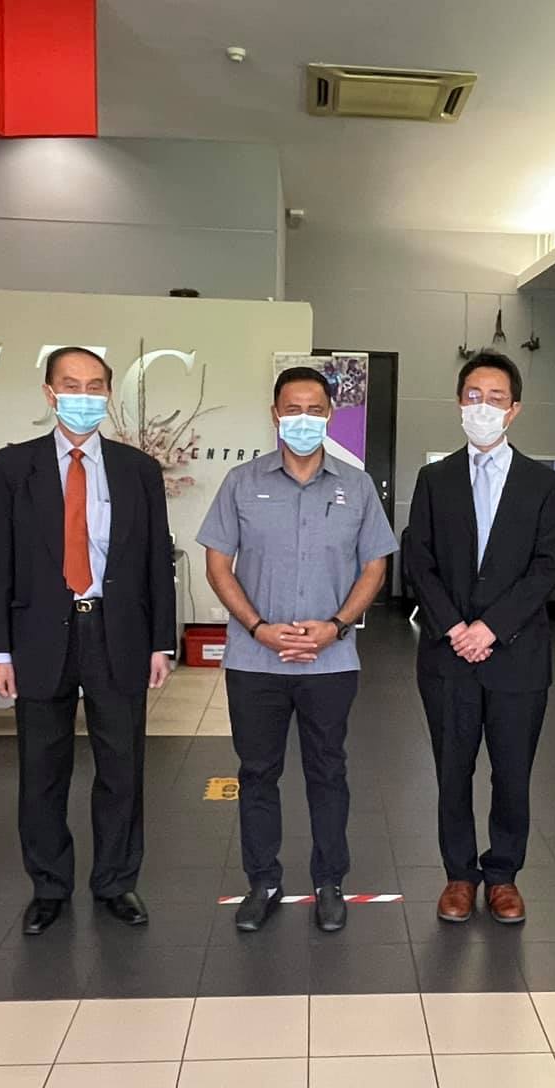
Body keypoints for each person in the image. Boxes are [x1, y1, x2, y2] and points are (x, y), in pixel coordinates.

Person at [0, 347, 174, 936]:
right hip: (39, 635)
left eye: (95, 387)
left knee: (122, 767)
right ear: (49, 393)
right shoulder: (11, 467)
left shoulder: (138, 469)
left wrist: (161, 642)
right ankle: (49, 886)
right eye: (71, 385)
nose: (83, 397)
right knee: (42, 769)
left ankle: (116, 881)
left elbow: (155, 560)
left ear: (108, 395)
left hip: (117, 631)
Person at [199, 366, 397, 934]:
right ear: (275, 414)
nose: (303, 419)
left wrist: (336, 625)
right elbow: (218, 565)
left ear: (329, 415)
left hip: (330, 661)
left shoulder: (357, 486)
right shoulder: (241, 482)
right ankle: (262, 882)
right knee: (257, 772)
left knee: (327, 771)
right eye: (292, 409)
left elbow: (375, 566)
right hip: (254, 660)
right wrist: (258, 627)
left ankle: (330, 881)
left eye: (314, 409)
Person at [405, 351, 555, 926]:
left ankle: (503, 875)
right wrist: (455, 627)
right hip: (447, 655)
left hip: (517, 656)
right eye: (473, 396)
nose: (483, 407)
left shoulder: (544, 485)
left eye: (495, 398)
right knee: (452, 770)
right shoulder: (434, 480)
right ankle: (459, 875)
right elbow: (418, 560)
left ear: (514, 409)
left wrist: (491, 628)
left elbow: (547, 566)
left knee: (512, 772)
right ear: (458, 403)